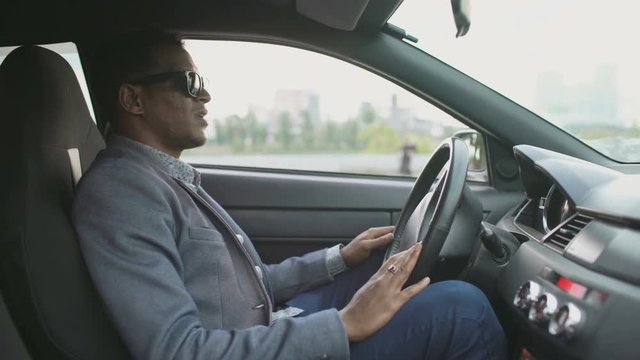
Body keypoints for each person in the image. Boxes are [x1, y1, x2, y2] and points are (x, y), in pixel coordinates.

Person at [72, 30, 507, 360]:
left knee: (383, 263)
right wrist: (342, 325)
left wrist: (342, 256)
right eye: (188, 82)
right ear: (133, 99)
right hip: (258, 343)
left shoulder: (160, 176)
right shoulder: (121, 192)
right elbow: (178, 349)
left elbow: (255, 282)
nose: (204, 94)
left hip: (268, 323)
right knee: (461, 308)